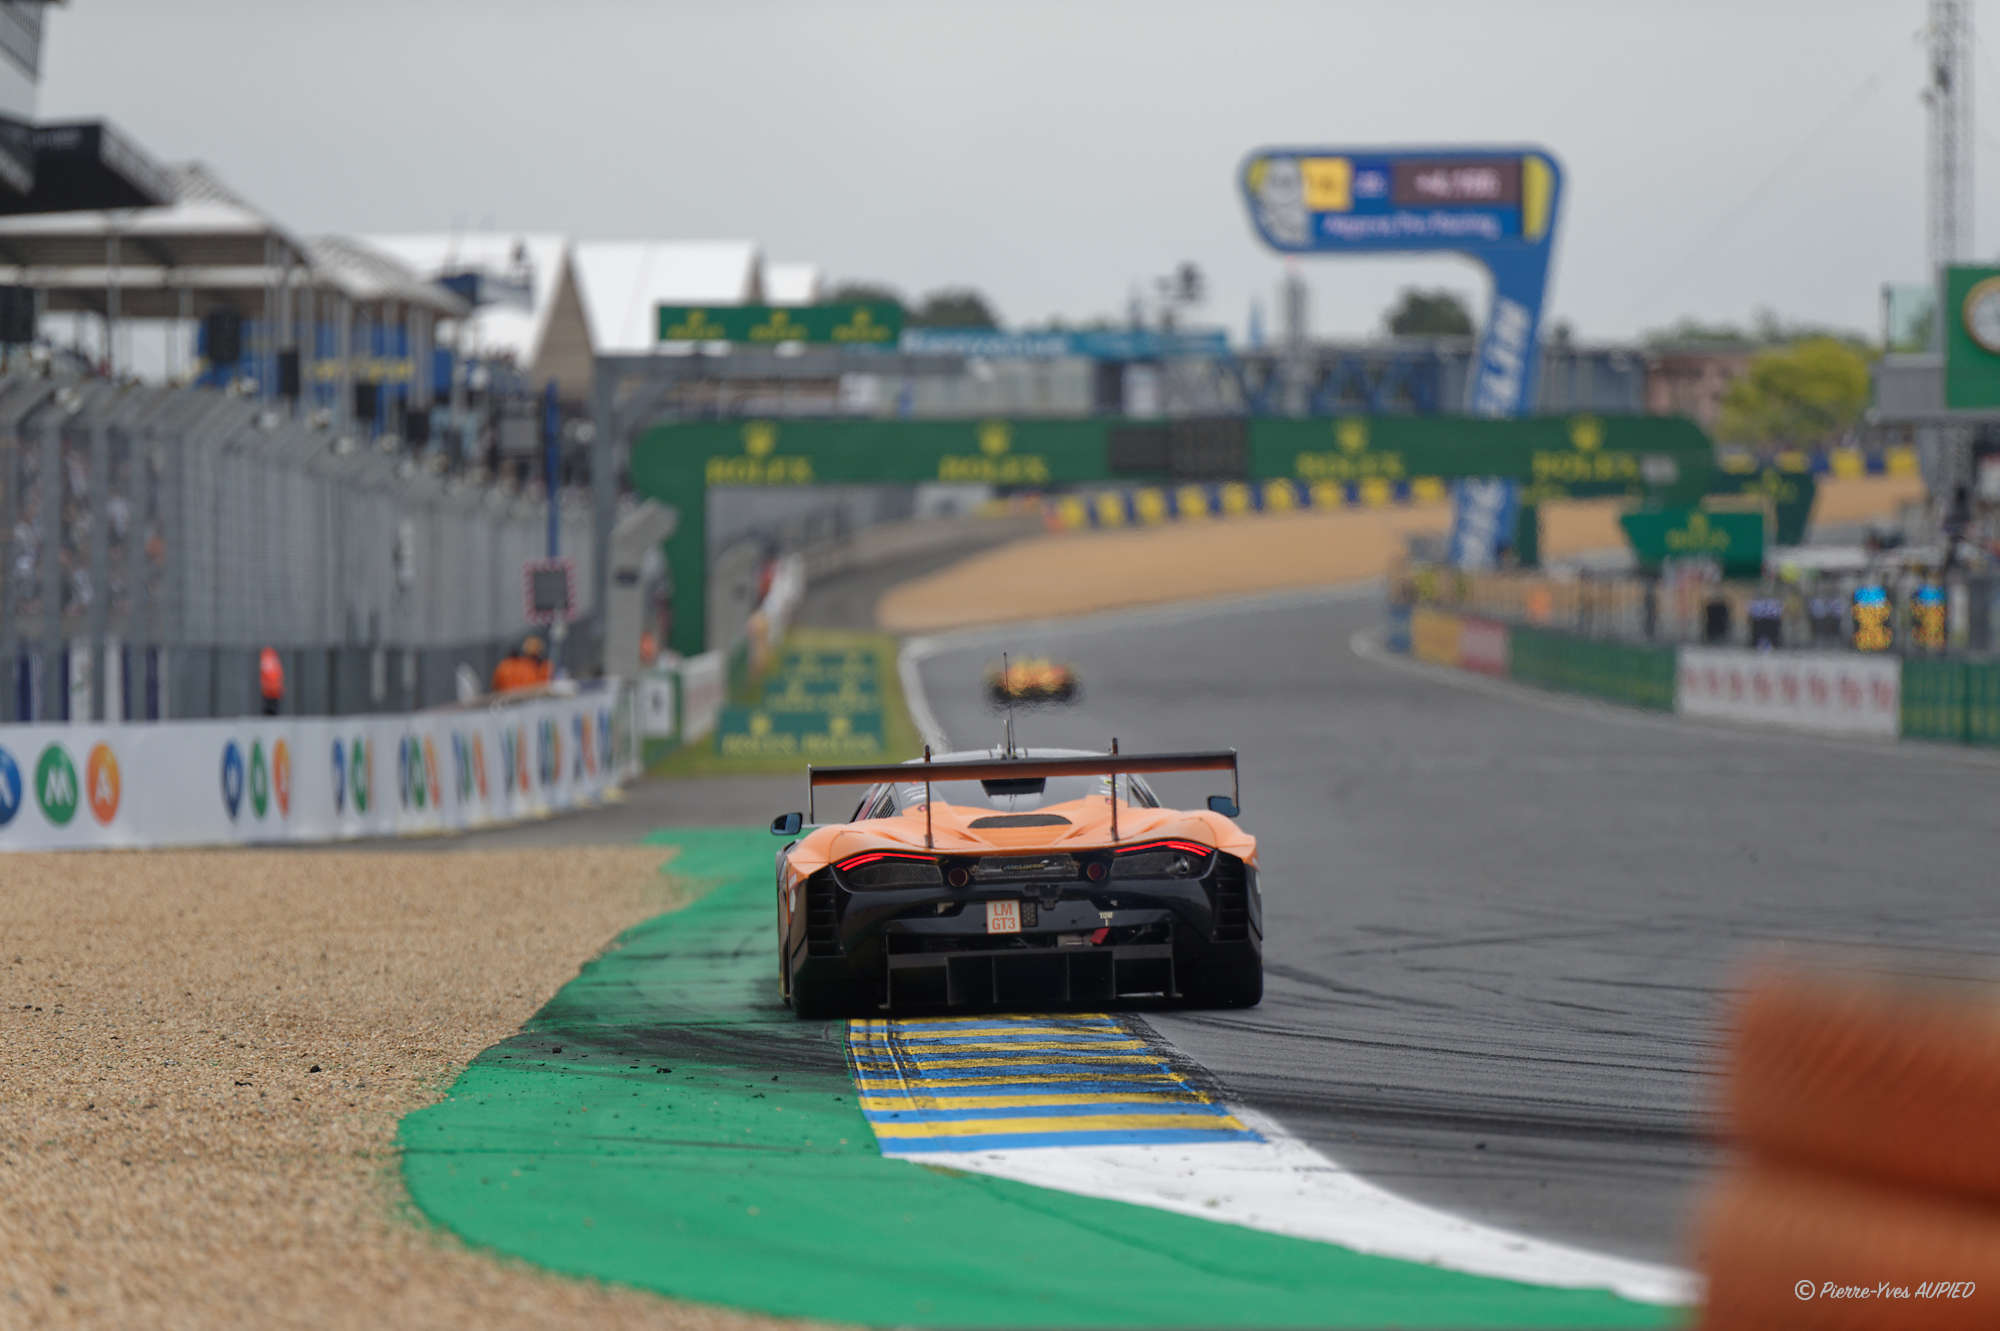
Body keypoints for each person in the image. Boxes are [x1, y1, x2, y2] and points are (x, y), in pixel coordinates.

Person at [258, 647, 284, 716]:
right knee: (273, 706)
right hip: (274, 688)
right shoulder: (275, 662)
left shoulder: (265, 661)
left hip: (268, 689)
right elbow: (279, 675)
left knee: (269, 705)